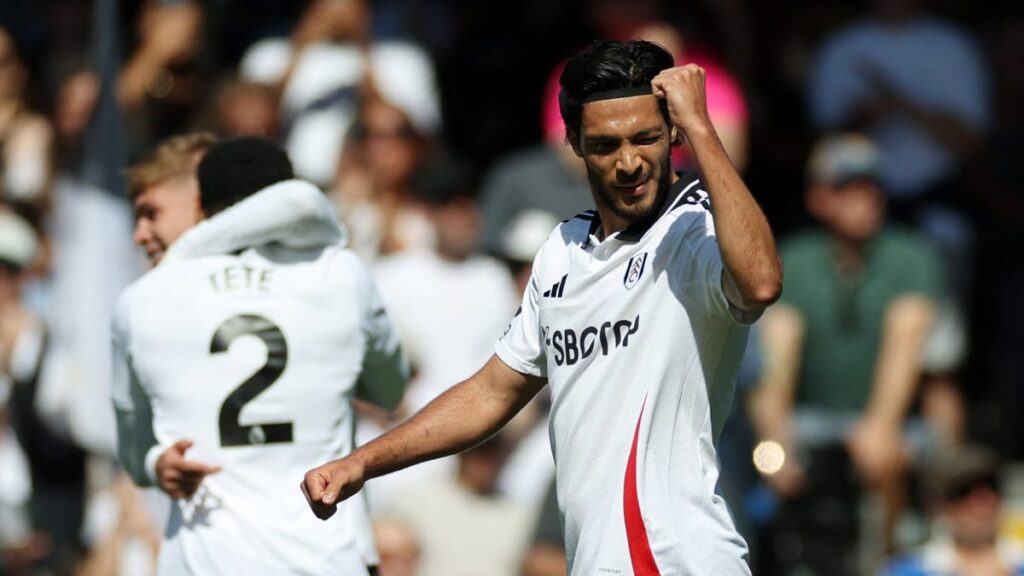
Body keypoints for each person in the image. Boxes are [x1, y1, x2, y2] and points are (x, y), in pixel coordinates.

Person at [303, 39, 782, 574]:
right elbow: (492, 391)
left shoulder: (694, 228)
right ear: (573, 142)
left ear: (672, 132)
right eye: (604, 144)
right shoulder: (563, 249)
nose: (629, 162)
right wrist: (362, 463)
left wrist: (702, 127)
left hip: (677, 560)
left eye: (646, 138)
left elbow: (761, 283)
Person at [112, 137, 407, 574]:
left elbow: (138, 460)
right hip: (330, 557)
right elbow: (389, 389)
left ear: (201, 206)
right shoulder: (343, 275)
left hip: (206, 562)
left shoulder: (141, 300)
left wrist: (158, 463)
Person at [749, 134, 947, 573]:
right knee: (768, 460)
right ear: (819, 198)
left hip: (894, 424)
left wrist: (880, 425)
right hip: (812, 420)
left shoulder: (910, 255)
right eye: (848, 188)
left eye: (871, 187)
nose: (865, 199)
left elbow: (905, 349)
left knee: (888, 454)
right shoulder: (795, 260)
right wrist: (773, 438)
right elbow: (776, 359)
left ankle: (889, 560)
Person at [884, 445, 1024, 575]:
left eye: (990, 488)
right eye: (963, 492)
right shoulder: (907, 570)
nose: (979, 503)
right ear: (940, 506)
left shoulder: (1019, 560)